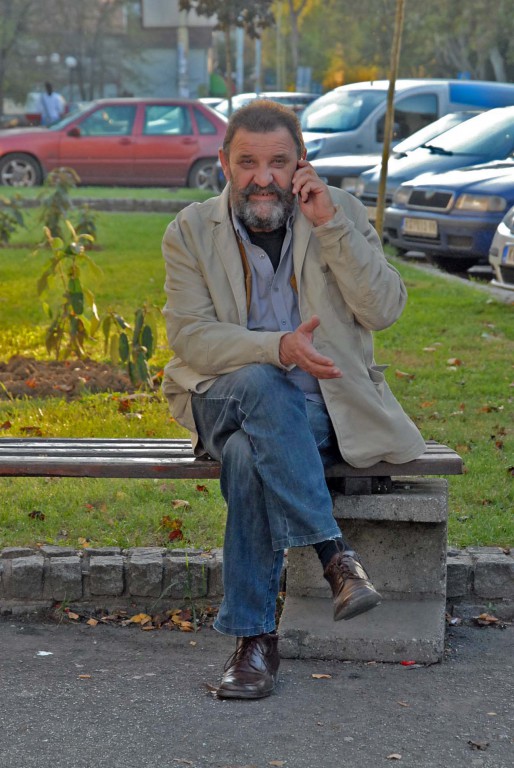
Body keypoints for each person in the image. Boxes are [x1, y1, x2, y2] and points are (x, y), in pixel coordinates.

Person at [161, 100, 426, 700]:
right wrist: (276, 348)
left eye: (278, 162)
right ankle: (335, 554)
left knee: (247, 457)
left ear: (300, 162)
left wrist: (330, 226)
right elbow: (191, 337)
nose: (263, 178)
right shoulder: (190, 231)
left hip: (318, 411)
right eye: (247, 163)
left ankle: (255, 642)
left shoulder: (338, 213)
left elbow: (384, 309)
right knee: (261, 381)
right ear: (224, 163)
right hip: (221, 397)